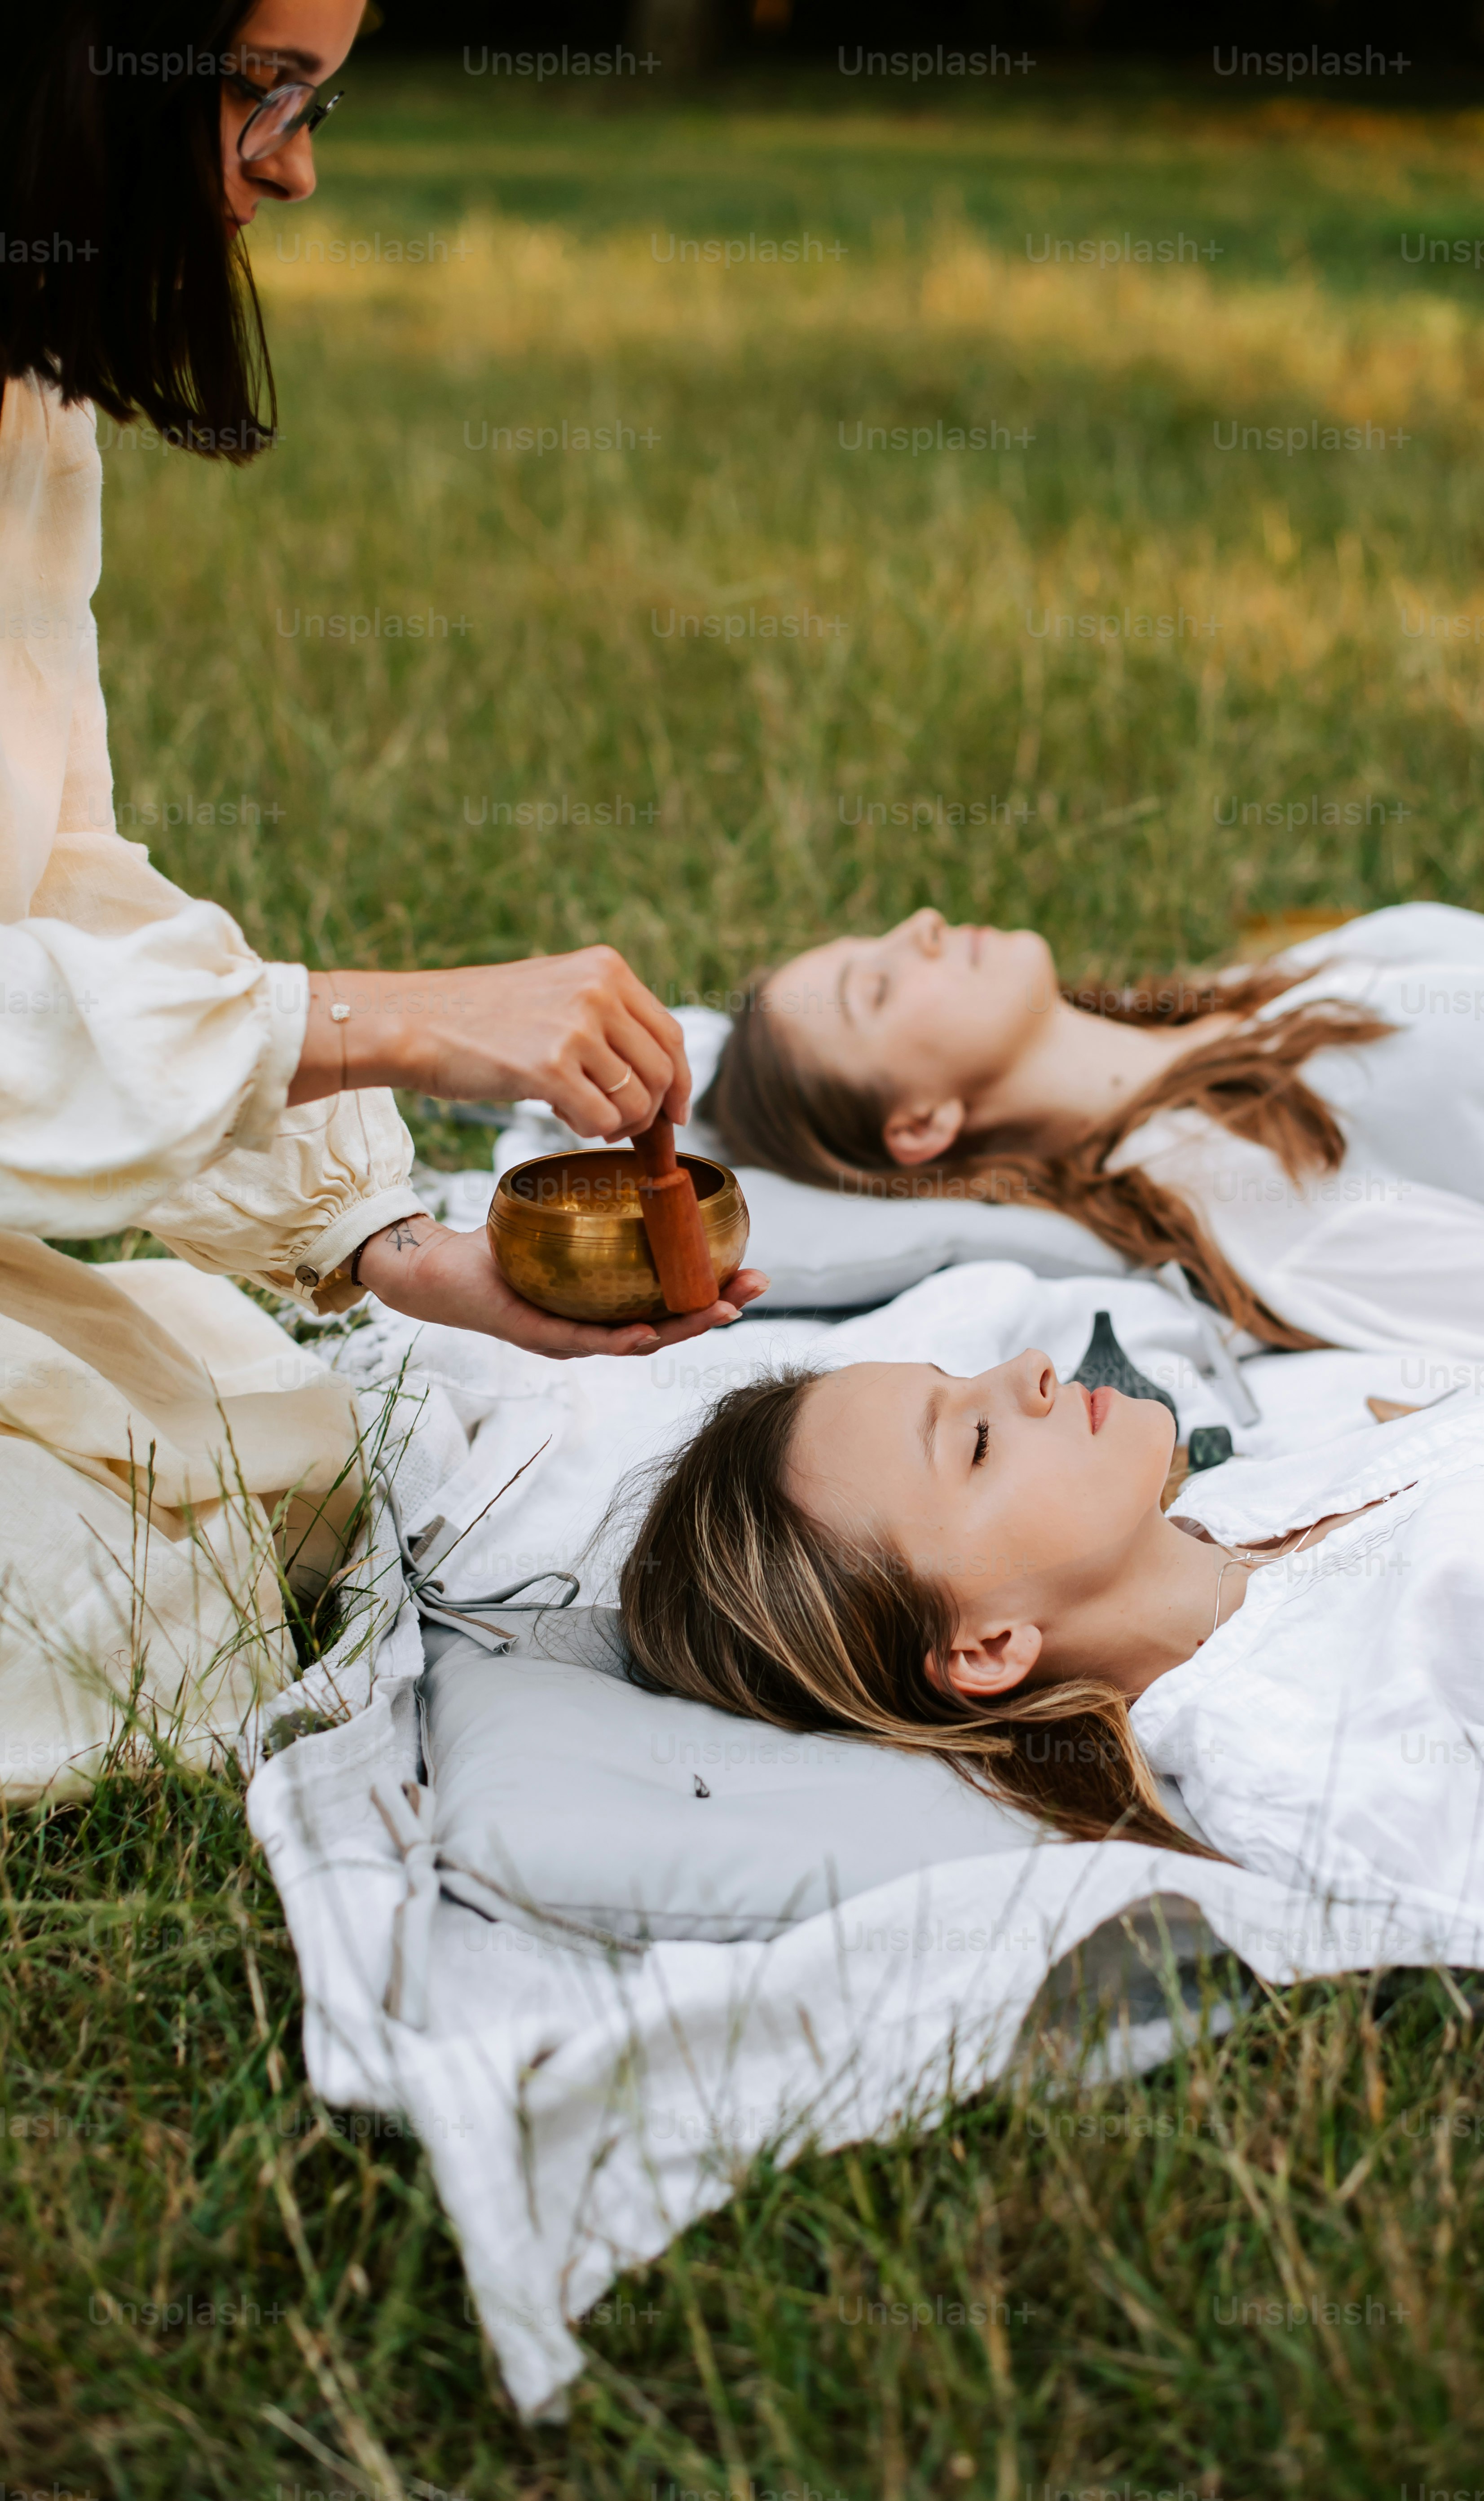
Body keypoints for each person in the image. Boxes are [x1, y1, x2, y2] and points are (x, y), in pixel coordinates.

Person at [0, 0, 761, 1795]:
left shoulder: (29, 394)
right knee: (123, 1611)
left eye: (317, 97)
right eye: (263, 87)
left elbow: (57, 894)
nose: (296, 163)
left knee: (275, 1452)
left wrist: (390, 1252)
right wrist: (385, 1017)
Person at [619, 1350, 1484, 1945]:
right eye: (974, 1440)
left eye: (963, 1373)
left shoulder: (1246, 1497)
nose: (1027, 1369)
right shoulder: (1297, 1755)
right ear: (987, 1645)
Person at [700, 899, 1484, 1362]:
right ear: (920, 1123)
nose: (916, 924)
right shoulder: (1226, 1178)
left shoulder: (1240, 1003)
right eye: (875, 986)